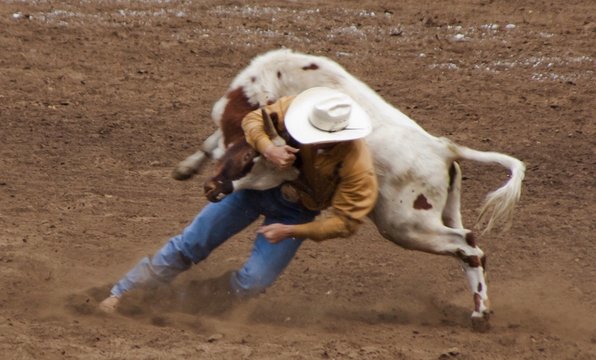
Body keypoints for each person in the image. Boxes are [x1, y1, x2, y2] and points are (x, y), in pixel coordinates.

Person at [99, 87, 378, 313]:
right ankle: (124, 293)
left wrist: (292, 231)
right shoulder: (296, 109)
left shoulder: (358, 168)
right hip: (254, 187)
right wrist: (269, 149)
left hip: (294, 215)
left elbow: (346, 222)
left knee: (253, 283)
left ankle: (179, 302)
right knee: (191, 243)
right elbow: (253, 119)